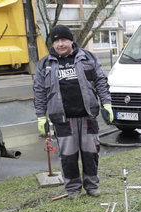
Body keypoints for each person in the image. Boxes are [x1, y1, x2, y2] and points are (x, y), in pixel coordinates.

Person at [33, 25, 113, 199]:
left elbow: (100, 80)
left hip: (87, 116)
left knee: (90, 153)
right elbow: (39, 92)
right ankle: (73, 189)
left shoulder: (87, 58)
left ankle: (92, 186)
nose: (61, 44)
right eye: (56, 41)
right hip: (63, 119)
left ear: (71, 41)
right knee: (68, 156)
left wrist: (107, 104)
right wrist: (41, 116)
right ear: (52, 44)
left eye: (64, 40)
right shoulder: (45, 65)